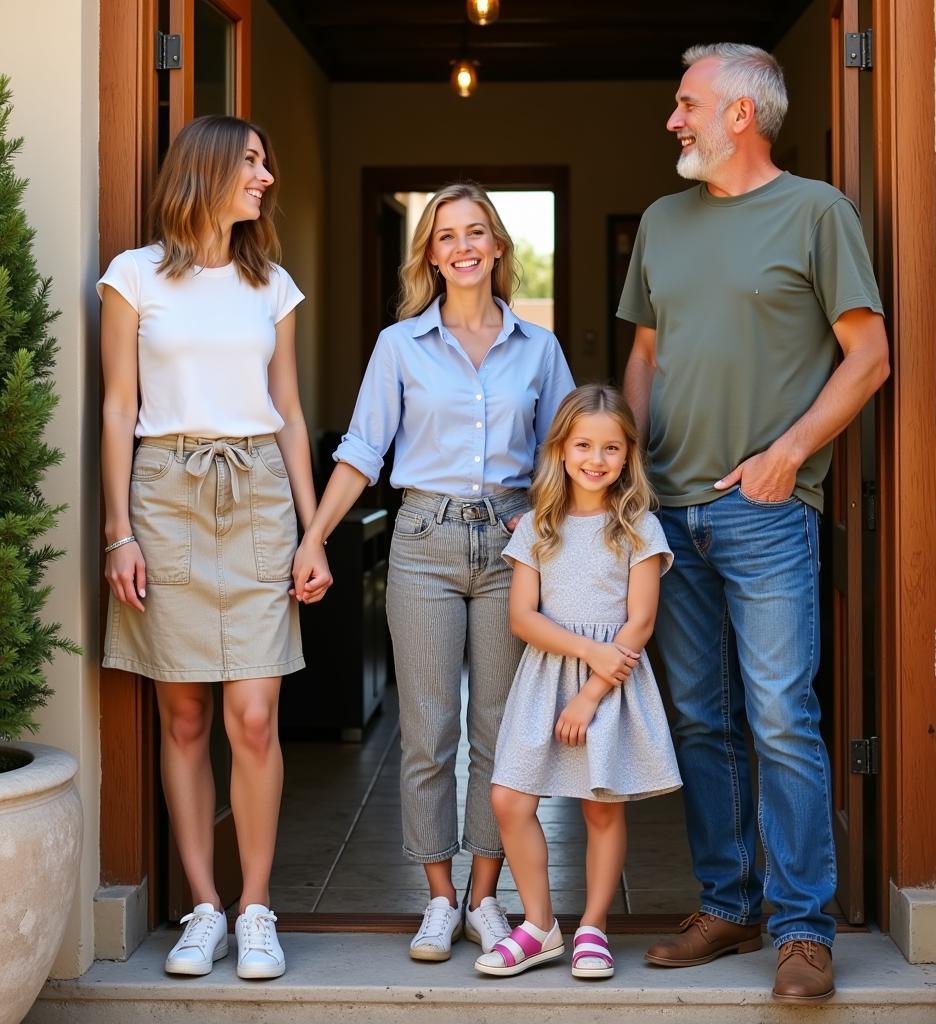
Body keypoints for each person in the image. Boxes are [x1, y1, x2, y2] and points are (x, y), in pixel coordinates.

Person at [617, 43, 890, 1003]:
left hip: (766, 514)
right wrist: (635, 473)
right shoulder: (662, 220)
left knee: (781, 717)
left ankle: (805, 927)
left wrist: (787, 456)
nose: (673, 120)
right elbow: (647, 353)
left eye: (686, 103)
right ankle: (729, 904)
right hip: (671, 513)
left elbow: (868, 357)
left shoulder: (818, 213)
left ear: (741, 114)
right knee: (701, 717)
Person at [291, 182, 574, 962]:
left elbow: (566, 453)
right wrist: (315, 536)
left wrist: (544, 524)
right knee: (427, 733)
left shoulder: (538, 348)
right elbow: (361, 451)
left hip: (511, 547)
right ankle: (439, 899)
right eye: (446, 235)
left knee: (498, 731)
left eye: (475, 231)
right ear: (431, 255)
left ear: (498, 246)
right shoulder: (400, 345)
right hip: (422, 540)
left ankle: (486, 898)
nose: (462, 246)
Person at [99, 115, 326, 980]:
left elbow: (293, 415)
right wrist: (118, 530)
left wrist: (313, 532)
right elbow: (119, 408)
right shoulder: (133, 277)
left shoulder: (273, 287)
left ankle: (255, 906)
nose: (266, 177)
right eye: (253, 163)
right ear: (208, 170)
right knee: (184, 714)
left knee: (255, 715)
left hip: (260, 494)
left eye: (267, 163)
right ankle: (204, 908)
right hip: (165, 494)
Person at [474, 385, 681, 979]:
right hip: (547, 675)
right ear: (561, 450)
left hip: (612, 682)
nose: (597, 458)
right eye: (584, 444)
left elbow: (640, 621)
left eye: (611, 448)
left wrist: (593, 690)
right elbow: (522, 617)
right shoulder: (538, 524)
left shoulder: (637, 525)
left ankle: (593, 926)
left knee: (601, 804)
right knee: (509, 798)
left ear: (628, 456)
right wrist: (587, 651)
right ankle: (539, 925)